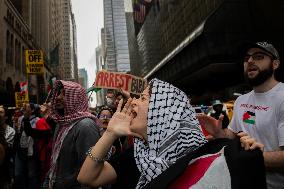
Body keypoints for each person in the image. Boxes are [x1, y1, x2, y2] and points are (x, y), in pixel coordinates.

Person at [77, 78, 207, 189]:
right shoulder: (137, 157)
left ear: (162, 111)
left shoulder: (200, 160)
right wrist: (110, 133)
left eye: (143, 98)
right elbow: (87, 177)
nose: (133, 101)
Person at [197, 41, 284, 188]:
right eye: (247, 58)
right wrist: (219, 133)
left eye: (259, 56)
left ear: (275, 64)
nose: (250, 61)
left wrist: (250, 158)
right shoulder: (241, 101)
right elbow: (232, 135)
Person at [47, 80, 100, 189]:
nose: (58, 97)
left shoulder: (86, 126)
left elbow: (90, 172)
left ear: (76, 99)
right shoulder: (62, 124)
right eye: (58, 93)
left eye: (64, 94)